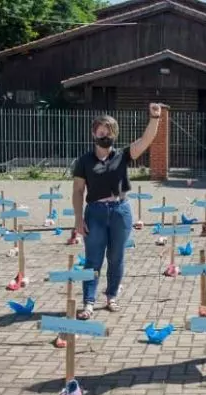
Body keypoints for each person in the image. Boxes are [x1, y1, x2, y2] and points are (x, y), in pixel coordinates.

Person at [72, 104, 164, 320]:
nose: (105, 136)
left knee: (116, 257)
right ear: (94, 134)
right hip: (95, 212)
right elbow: (78, 191)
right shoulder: (84, 161)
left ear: (114, 135)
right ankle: (88, 302)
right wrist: (78, 218)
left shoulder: (122, 155)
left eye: (109, 132)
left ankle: (111, 296)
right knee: (93, 259)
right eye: (101, 132)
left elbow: (146, 141)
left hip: (120, 211)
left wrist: (155, 118)